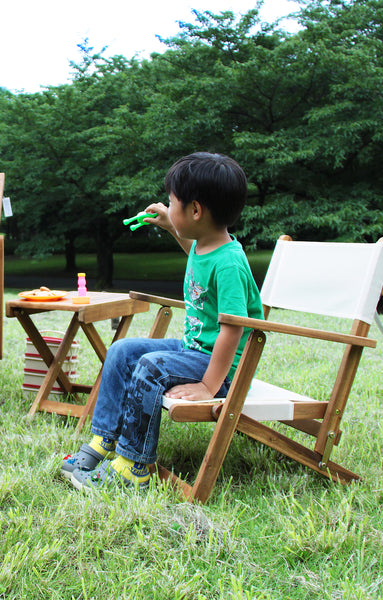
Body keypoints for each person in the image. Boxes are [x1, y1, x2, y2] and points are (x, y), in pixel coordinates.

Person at [61, 152, 263, 490]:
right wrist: (171, 224)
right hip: (193, 351)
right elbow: (197, 261)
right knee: (123, 350)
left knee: (151, 366)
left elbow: (234, 327)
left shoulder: (230, 263)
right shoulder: (205, 245)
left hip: (223, 369)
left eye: (173, 203)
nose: (169, 207)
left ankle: (132, 467)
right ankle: (103, 441)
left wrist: (208, 386)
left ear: (195, 211)